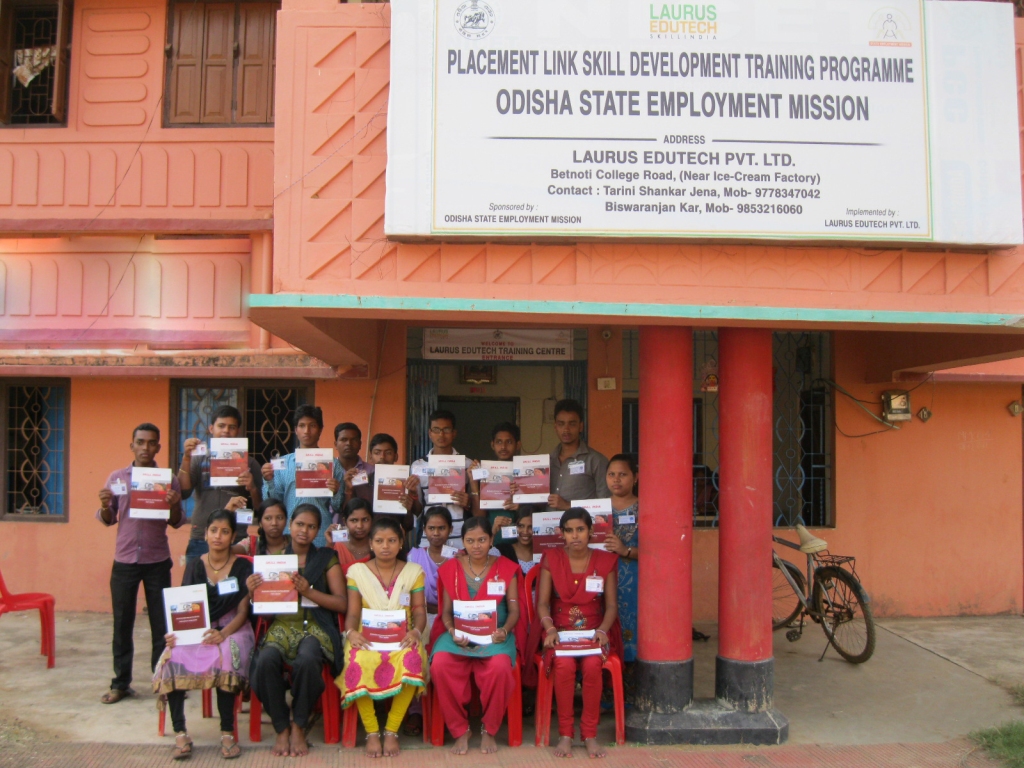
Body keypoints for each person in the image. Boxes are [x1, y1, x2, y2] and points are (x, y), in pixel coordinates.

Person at [153, 510, 255, 760]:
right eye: (213, 530)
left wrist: (223, 633)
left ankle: (227, 733)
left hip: (233, 627)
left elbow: (243, 612)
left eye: (225, 531)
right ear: (206, 534)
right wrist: (174, 634)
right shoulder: (195, 566)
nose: (218, 536)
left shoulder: (243, 567)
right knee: (173, 655)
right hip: (199, 628)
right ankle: (180, 733)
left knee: (226, 656)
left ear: (233, 536)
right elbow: (184, 606)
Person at [248, 505, 347, 757]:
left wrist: (309, 592)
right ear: (290, 525)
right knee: (265, 660)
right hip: (282, 626)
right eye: (300, 524)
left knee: (308, 658)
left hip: (316, 626)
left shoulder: (326, 558)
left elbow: (341, 603)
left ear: (318, 530)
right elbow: (265, 613)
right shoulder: (275, 561)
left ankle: (299, 724)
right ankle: (281, 726)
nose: (304, 531)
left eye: (311, 526)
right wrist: (253, 593)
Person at [97, 423, 184, 705]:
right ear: (132, 445)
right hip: (125, 560)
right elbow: (109, 519)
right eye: (141, 442)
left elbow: (176, 521)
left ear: (158, 447)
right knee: (122, 623)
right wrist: (104, 506)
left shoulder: (168, 480)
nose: (146, 447)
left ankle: (162, 682)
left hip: (157, 560)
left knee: (161, 625)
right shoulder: (117, 478)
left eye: (151, 442)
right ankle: (120, 683)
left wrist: (174, 503)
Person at [429, 517, 523, 755]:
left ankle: (489, 729)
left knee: (500, 668)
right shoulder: (452, 568)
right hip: (458, 635)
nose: (476, 546)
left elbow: (514, 611)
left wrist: (504, 630)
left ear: (491, 540)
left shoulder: (506, 568)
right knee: (440, 664)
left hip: (496, 635)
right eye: (470, 541)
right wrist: (451, 630)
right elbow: (446, 613)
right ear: (463, 541)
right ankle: (460, 730)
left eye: (482, 540)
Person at [536, 508, 621, 759]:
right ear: (562, 533)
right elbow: (542, 603)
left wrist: (603, 630)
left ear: (591, 532)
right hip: (559, 633)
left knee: (593, 666)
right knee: (563, 666)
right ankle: (565, 734)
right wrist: (550, 629)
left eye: (580, 530)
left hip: (594, 634)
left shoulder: (605, 561)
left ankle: (590, 734)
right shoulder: (552, 558)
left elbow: (612, 606)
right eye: (570, 531)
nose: (575, 536)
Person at [341, 517, 428, 758]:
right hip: (366, 635)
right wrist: (351, 633)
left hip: (404, 635)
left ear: (400, 543)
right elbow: (353, 613)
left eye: (391, 540)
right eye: (379, 541)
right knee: (357, 662)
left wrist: (416, 632)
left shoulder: (413, 572)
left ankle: (391, 730)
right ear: (371, 544)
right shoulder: (357, 572)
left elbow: (419, 611)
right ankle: (371, 731)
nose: (385, 546)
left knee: (413, 660)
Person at [178, 405, 263, 565]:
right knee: (197, 580)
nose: (226, 431)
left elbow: (261, 508)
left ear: (238, 431)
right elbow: (183, 492)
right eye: (221, 426)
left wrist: (252, 487)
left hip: (236, 538)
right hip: (201, 536)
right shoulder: (199, 459)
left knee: (234, 581)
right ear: (211, 428)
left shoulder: (250, 463)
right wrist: (187, 458)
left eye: (232, 427)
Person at [403, 505, 454, 736]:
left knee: (447, 657)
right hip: (420, 617)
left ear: (450, 530)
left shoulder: (458, 557)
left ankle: (446, 710)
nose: (436, 533)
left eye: (441, 528)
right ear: (423, 529)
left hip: (450, 619)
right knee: (414, 651)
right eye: (431, 528)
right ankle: (416, 709)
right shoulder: (414, 556)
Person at [260, 406, 333, 546]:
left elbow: (338, 507)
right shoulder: (282, 464)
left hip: (321, 535)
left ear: (320, 430)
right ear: (295, 429)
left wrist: (335, 492)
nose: (307, 431)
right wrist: (269, 481)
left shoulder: (334, 464)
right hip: (290, 536)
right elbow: (273, 503)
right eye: (302, 425)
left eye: (312, 426)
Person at [410, 410, 471, 536]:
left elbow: (475, 506)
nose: (441, 434)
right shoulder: (418, 466)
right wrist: (412, 495)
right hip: (429, 536)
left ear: (454, 433)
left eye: (446, 429)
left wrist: (468, 503)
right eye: (436, 430)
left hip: (460, 535)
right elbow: (418, 510)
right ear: (430, 433)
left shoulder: (467, 464)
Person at [603, 454, 639, 664]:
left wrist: (625, 550)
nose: (616, 479)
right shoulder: (596, 508)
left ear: (635, 477)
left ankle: (632, 675)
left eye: (623, 474)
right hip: (602, 577)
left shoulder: (646, 508)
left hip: (635, 580)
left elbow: (658, 552)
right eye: (611, 474)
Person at [469, 422, 529, 547]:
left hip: (520, 544)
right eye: (499, 442)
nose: (503, 447)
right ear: (492, 445)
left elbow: (537, 510)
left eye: (509, 442)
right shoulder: (485, 474)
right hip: (493, 541)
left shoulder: (527, 473)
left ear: (518, 445)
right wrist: (473, 482)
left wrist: (521, 505)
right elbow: (479, 516)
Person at [546, 400, 610, 511]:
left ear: (581, 426)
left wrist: (568, 506)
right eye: (561, 424)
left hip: (581, 521)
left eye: (572, 424)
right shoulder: (547, 462)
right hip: (547, 521)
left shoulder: (596, 460)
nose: (566, 429)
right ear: (555, 426)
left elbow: (605, 504)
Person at [329, 423, 374, 512]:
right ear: (335, 444)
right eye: (344, 439)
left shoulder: (372, 471)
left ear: (360, 444)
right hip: (331, 520)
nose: (348, 443)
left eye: (354, 440)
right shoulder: (327, 471)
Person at [328, 497, 373, 574]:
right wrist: (329, 544)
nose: (360, 526)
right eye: (354, 520)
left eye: (365, 520)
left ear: (372, 520)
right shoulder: (337, 547)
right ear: (345, 521)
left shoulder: (378, 546)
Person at [498, 511, 538, 576]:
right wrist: (493, 532)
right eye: (521, 526)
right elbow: (484, 563)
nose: (525, 531)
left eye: (531, 527)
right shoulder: (502, 551)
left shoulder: (543, 555)